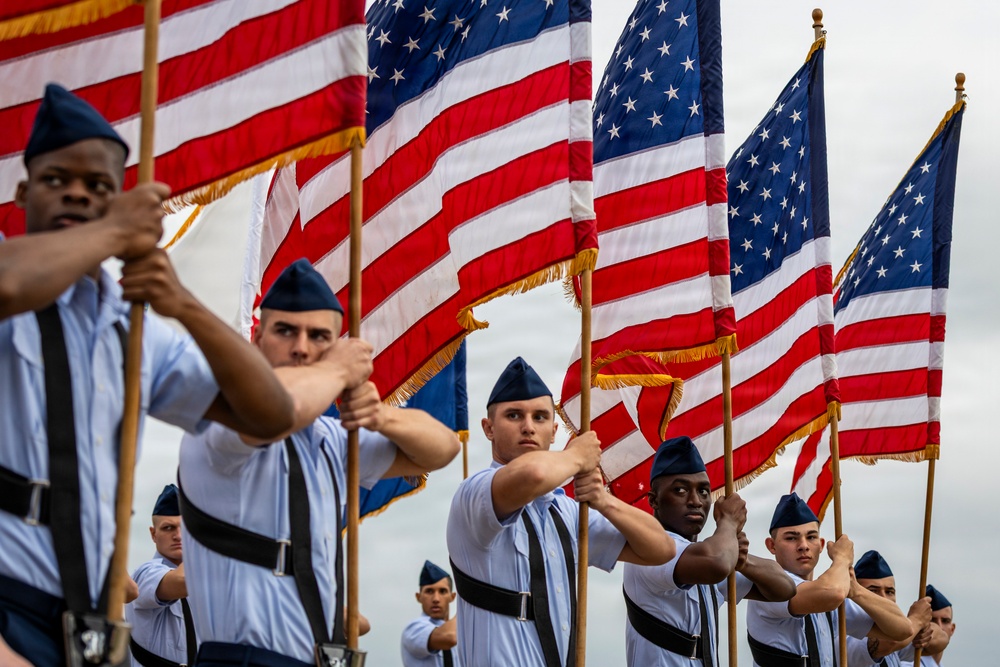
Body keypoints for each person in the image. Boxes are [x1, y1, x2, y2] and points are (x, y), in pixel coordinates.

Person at [0, 84, 295, 667]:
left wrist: (180, 302)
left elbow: (268, 414)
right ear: (23, 192)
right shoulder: (11, 283)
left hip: (83, 616)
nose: (78, 195)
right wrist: (115, 230)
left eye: (100, 187)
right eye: (58, 180)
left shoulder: (128, 330)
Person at [178, 259, 461, 667]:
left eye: (319, 337)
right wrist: (334, 370)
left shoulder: (331, 440)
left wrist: (382, 416)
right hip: (241, 658)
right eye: (285, 331)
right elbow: (274, 409)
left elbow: (442, 449)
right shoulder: (221, 422)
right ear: (256, 338)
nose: (301, 347)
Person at [446, 357, 676, 667]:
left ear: (554, 431)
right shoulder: (475, 493)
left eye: (540, 418)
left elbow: (660, 549)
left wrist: (603, 501)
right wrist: (576, 457)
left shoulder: (567, 512)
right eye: (514, 415)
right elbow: (533, 475)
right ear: (488, 428)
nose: (528, 427)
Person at [623, 437, 796, 666]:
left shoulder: (707, 554)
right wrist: (728, 522)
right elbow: (716, 563)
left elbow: (784, 588)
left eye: (704, 491)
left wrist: (742, 562)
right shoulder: (649, 548)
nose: (695, 501)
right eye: (681, 490)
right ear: (654, 500)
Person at [746, 493, 913, 667]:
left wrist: (856, 591)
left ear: (821, 545)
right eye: (791, 538)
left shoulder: (829, 596)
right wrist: (842, 559)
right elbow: (832, 593)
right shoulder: (768, 586)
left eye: (811, 537)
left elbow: (902, 630)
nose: (803, 545)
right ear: (771, 546)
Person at [126, 485, 196, 667]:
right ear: (153, 534)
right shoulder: (146, 573)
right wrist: (202, 540)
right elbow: (182, 582)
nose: (178, 536)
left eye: (185, 528)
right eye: (168, 528)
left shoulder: (205, 579)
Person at [851, 550, 945, 667]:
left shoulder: (902, 634)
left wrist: (922, 629)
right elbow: (890, 642)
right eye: (873, 591)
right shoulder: (846, 633)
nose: (884, 598)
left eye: (889, 592)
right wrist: (917, 621)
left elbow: (941, 639)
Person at [401, 560, 459, 667]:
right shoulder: (414, 629)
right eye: (429, 591)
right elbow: (449, 637)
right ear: (419, 597)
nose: (436, 599)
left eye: (442, 591)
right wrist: (466, 604)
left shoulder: (459, 629)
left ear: (452, 597)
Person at [900, 585, 954, 667]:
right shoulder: (906, 663)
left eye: (945, 621)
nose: (939, 626)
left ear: (952, 629)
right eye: (932, 620)